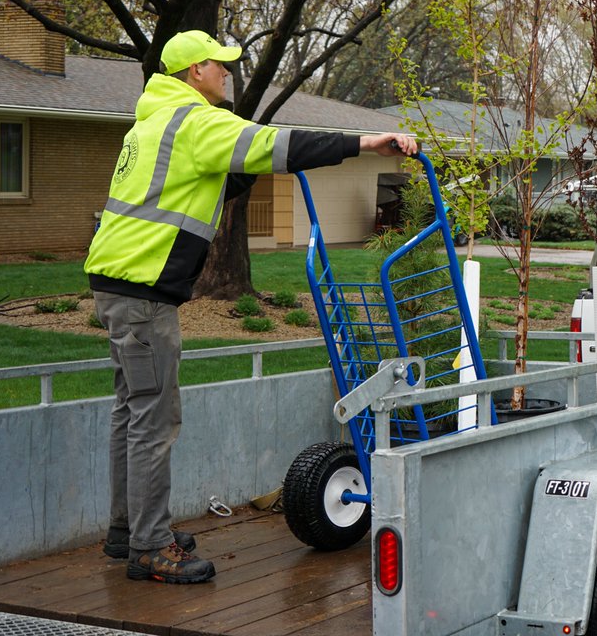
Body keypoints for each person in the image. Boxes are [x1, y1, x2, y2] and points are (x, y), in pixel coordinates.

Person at [84, 29, 418, 584]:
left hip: (117, 283)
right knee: (153, 419)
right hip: (143, 293)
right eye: (220, 65)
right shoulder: (197, 123)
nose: (227, 73)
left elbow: (221, 179)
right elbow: (277, 146)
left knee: (131, 411)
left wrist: (259, 163)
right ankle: (147, 546)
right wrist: (364, 143)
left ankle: (129, 530)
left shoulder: (153, 123)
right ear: (194, 72)